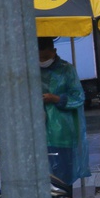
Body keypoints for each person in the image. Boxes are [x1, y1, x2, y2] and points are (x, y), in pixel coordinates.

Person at [38, 37, 90, 185]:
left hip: (62, 134)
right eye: (40, 57)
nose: (43, 60)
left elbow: (78, 97)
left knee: (63, 179)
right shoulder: (30, 71)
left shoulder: (66, 70)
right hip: (38, 134)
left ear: (54, 52)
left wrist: (56, 98)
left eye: (46, 57)